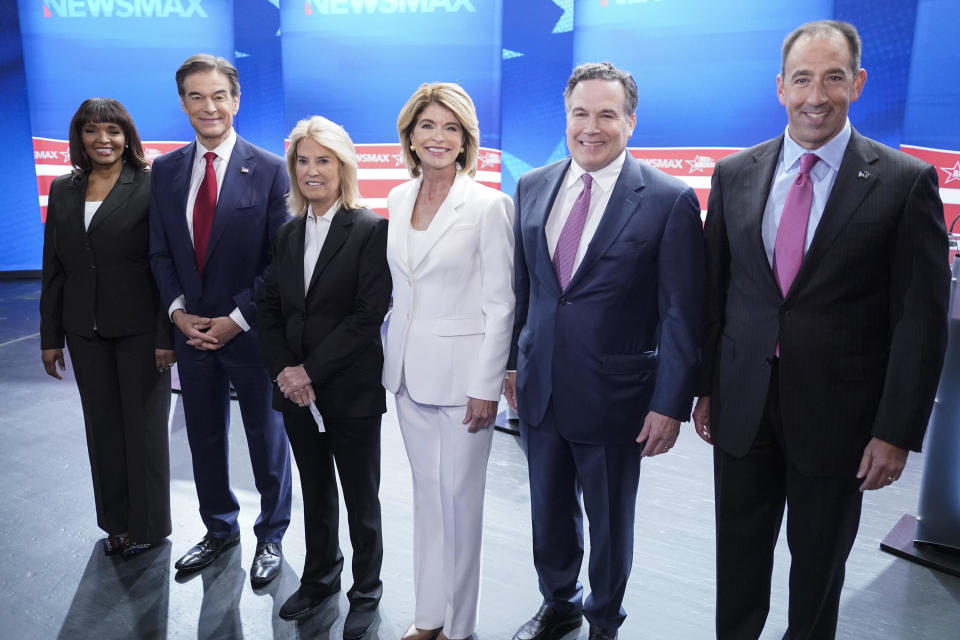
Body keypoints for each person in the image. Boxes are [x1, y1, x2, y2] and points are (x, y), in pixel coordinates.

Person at [693, 20, 950, 640]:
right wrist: (705, 388)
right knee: (739, 562)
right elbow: (714, 294)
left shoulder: (903, 182)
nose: (816, 95)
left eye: (833, 78)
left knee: (817, 571)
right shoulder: (733, 175)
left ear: (857, 84)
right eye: (802, 79)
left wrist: (894, 433)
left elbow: (920, 320)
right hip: (744, 408)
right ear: (780, 87)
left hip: (840, 421)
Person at [504, 62, 704, 640]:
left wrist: (671, 405)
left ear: (631, 122)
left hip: (617, 397)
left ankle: (603, 619)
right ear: (566, 117)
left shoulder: (668, 200)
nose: (591, 127)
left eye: (606, 115)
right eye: (580, 114)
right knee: (549, 513)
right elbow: (528, 288)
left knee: (611, 521)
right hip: (540, 388)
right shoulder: (533, 185)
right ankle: (559, 601)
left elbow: (682, 315)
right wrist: (516, 362)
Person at [149, 54, 292, 585]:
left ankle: (272, 535)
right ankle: (219, 528)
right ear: (183, 102)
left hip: (251, 335)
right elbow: (159, 253)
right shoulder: (163, 171)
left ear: (236, 100)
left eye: (218, 96)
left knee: (266, 437)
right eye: (195, 96)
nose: (208, 107)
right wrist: (178, 313)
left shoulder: (274, 170)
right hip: (191, 333)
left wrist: (236, 318)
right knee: (203, 437)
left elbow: (280, 262)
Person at [382, 83, 515, 640]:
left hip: (465, 384)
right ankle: (428, 617)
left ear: (466, 140)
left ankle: (460, 629)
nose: (438, 138)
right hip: (409, 377)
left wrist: (488, 385)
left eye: (450, 128)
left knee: (461, 507)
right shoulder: (394, 198)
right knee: (427, 503)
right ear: (410, 134)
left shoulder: (488, 205)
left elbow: (501, 302)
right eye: (427, 126)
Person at [256, 116, 392, 640]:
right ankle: (319, 580)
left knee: (362, 498)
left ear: (344, 167)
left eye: (324, 160)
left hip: (350, 391)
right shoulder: (288, 233)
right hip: (296, 393)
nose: (313, 170)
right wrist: (287, 375)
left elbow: (367, 313)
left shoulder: (370, 229)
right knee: (315, 492)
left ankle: (366, 591)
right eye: (304, 161)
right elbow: (270, 309)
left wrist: (309, 370)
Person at [40, 98, 174, 558]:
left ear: (128, 137)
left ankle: (149, 526)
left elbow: (165, 267)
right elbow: (54, 267)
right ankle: (116, 523)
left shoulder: (153, 185)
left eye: (113, 131)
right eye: (93, 131)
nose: (104, 140)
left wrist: (165, 336)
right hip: (83, 331)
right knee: (103, 429)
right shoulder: (63, 189)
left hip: (141, 331)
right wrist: (49, 337)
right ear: (79, 137)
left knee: (144, 431)